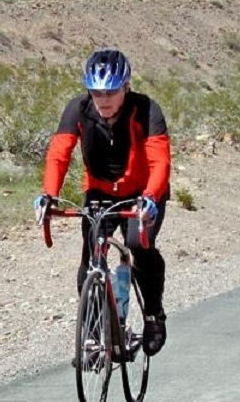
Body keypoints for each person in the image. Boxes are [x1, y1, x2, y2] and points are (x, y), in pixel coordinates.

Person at [34, 47, 172, 355]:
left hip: (143, 193)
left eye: (111, 91)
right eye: (96, 92)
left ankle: (154, 315)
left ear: (126, 87)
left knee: (138, 244)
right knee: (91, 258)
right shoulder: (77, 110)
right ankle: (95, 333)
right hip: (99, 192)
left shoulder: (147, 110)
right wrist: (48, 194)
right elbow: (59, 154)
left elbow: (160, 161)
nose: (104, 99)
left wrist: (150, 198)